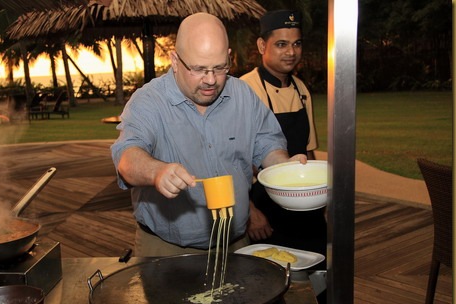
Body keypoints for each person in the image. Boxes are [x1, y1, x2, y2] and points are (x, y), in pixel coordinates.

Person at [111, 12, 306, 257]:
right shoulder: (149, 101)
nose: (211, 80)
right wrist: (156, 171)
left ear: (229, 57)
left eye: (220, 67)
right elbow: (126, 157)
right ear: (174, 60)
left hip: (236, 242)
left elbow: (267, 144)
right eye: (199, 69)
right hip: (165, 248)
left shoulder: (243, 95)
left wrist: (284, 166)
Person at [240, 9, 327, 264]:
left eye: (296, 44)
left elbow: (308, 152)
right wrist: (249, 212)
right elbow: (230, 160)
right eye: (281, 44)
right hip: (264, 211)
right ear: (261, 45)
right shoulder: (244, 90)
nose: (291, 52)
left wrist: (323, 199)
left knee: (318, 275)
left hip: (306, 205)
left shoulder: (301, 89)